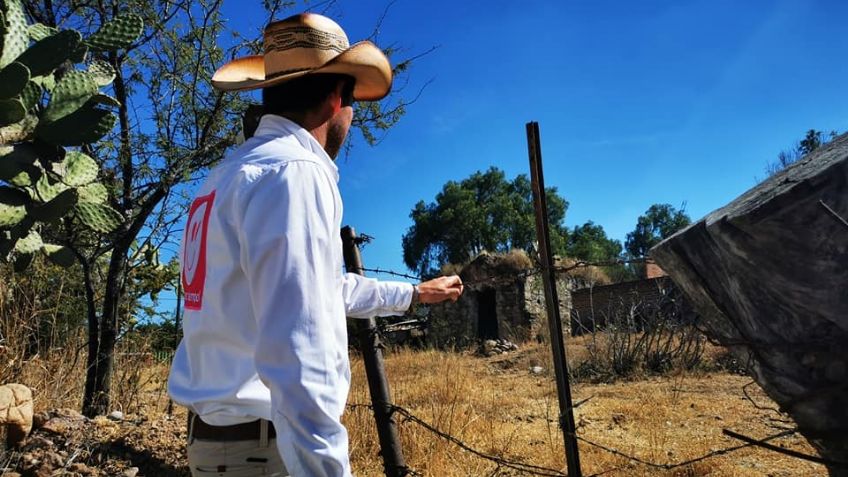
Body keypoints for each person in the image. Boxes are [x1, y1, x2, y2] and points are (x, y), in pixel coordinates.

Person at [167, 12, 464, 477]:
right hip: (269, 453)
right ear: (334, 97)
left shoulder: (226, 176)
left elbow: (317, 289)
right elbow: (301, 351)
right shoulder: (294, 173)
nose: (351, 114)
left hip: (220, 445)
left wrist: (414, 293)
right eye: (352, 101)